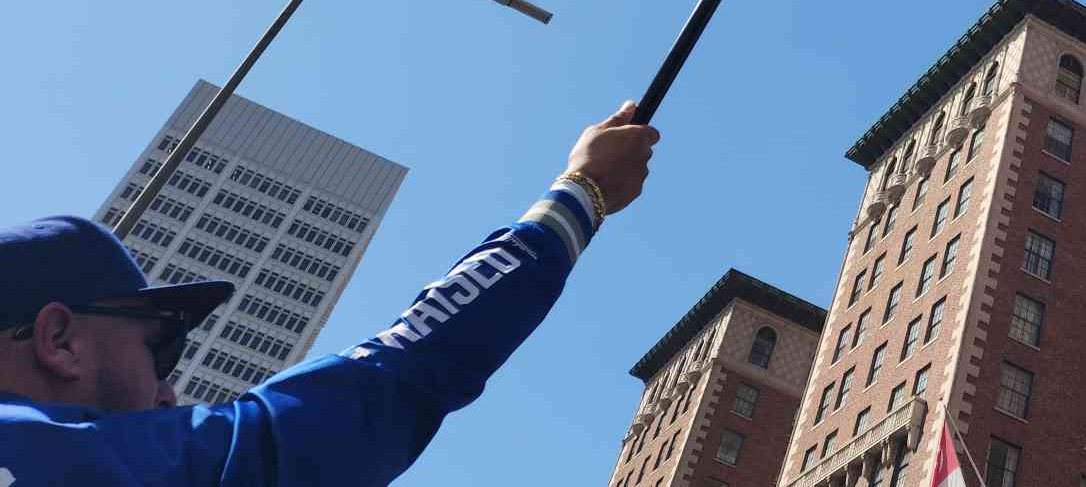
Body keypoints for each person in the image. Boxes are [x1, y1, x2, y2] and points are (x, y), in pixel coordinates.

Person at [0, 100, 659, 484]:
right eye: (160, 349)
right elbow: (390, 378)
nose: (169, 391)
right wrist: (581, 194)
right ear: (59, 340)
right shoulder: (64, 458)